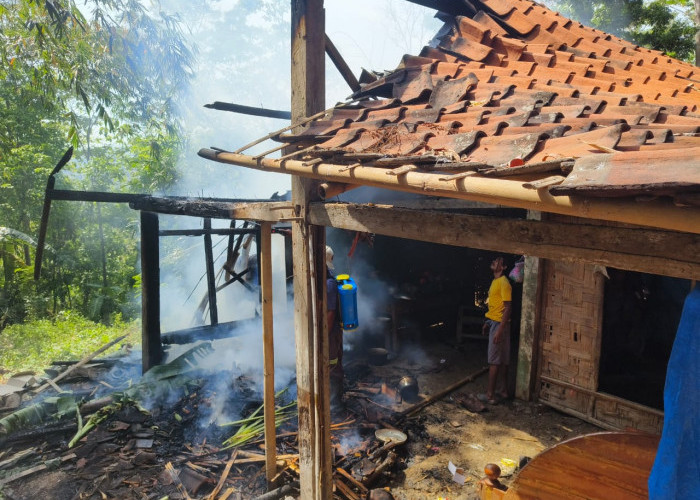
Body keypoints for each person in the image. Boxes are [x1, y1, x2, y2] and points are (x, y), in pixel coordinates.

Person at [480, 256, 512, 405]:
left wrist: (499, 330)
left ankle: (490, 395)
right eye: (494, 260)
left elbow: (507, 308)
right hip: (496, 323)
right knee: (503, 360)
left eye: (498, 261)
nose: (494, 261)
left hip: (500, 325)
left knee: (494, 361)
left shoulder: (504, 283)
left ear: (504, 267)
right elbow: (495, 307)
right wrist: (488, 322)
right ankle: (503, 390)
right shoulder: (495, 282)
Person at [326, 245, 344, 404]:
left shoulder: (329, 284)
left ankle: (334, 403)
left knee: (332, 365)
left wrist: (324, 334)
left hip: (331, 333)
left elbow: (330, 312)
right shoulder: (328, 279)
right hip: (333, 332)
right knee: (334, 364)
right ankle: (334, 399)